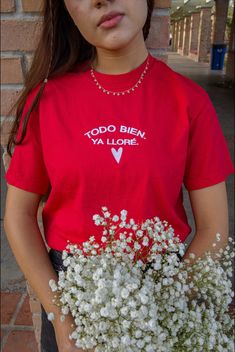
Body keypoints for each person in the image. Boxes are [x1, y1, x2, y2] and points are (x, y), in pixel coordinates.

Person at [3, 0, 234, 351]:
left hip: (165, 288)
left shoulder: (190, 102)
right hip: (72, 299)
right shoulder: (46, 101)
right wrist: (63, 322)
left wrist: (163, 313)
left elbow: (213, 226)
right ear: (67, 11)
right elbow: (18, 216)